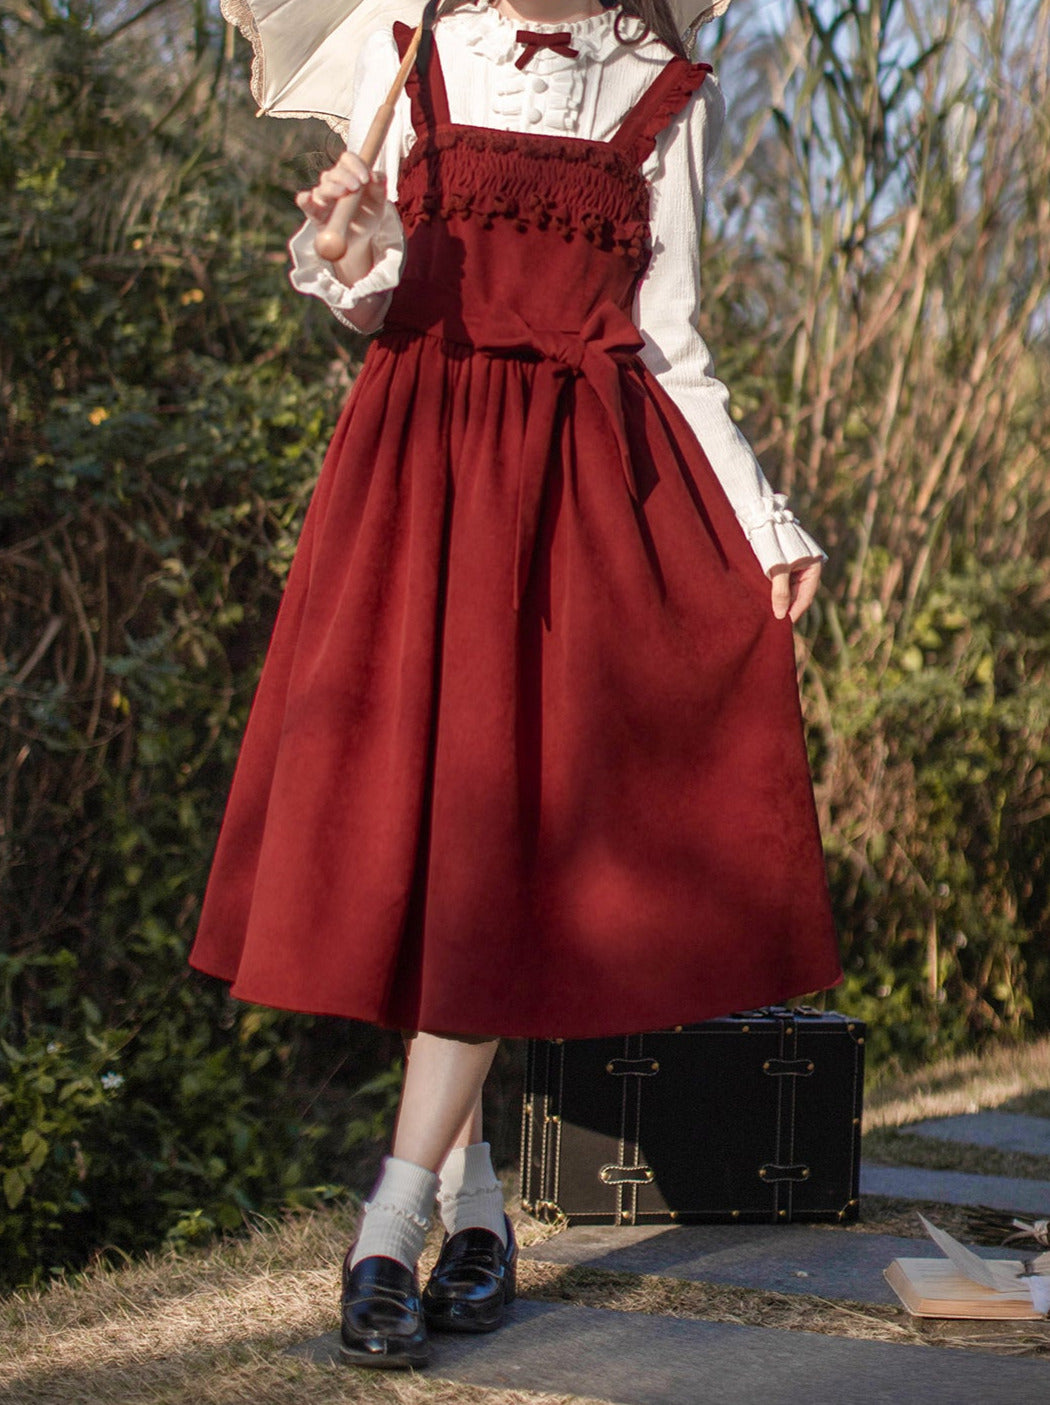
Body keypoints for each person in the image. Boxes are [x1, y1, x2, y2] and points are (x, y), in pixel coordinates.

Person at [189, 0, 842, 1370]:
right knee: (424, 847)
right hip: (415, 470)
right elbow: (375, 297)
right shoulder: (411, 45)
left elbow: (671, 337)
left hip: (575, 499)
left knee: (495, 852)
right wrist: (346, 245)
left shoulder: (662, 83)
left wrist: (766, 518)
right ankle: (474, 1212)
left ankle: (393, 1222)